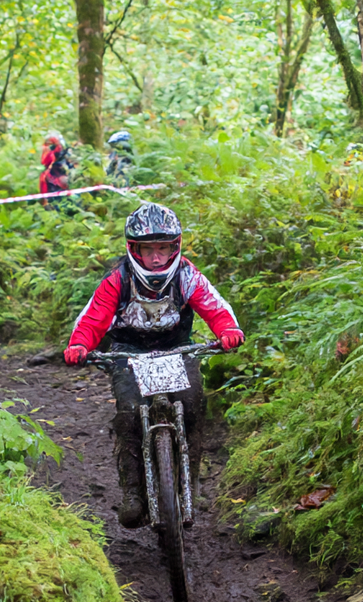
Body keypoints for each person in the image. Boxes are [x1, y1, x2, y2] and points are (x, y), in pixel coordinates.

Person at [63, 203, 245, 528]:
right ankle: (133, 492)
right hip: (128, 352)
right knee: (130, 413)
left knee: (192, 406)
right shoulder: (117, 280)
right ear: (134, 249)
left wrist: (228, 330)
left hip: (177, 348)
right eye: (148, 250)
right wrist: (79, 344)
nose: (157, 258)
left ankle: (188, 482)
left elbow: (213, 304)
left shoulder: (187, 275)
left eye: (163, 249)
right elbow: (94, 317)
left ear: (175, 247)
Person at [39, 132, 75, 206]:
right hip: (54, 174)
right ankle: (45, 202)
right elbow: (44, 161)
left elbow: (71, 163)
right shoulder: (50, 151)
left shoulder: (65, 151)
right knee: (43, 177)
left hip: (64, 173)